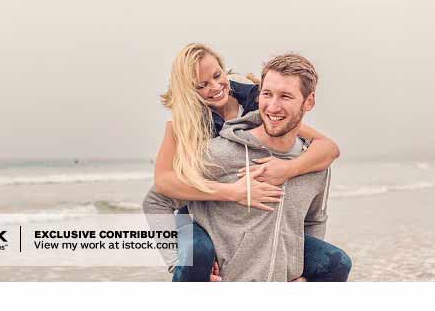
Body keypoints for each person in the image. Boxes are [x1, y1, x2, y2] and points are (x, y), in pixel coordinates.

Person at [142, 47, 349, 281]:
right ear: (188, 91)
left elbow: (327, 147)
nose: (214, 87)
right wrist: (233, 192)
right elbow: (162, 186)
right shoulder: (185, 125)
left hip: (249, 226)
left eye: (217, 76)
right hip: (196, 208)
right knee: (198, 252)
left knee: (337, 262)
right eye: (201, 85)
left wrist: (287, 169)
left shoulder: (257, 105)